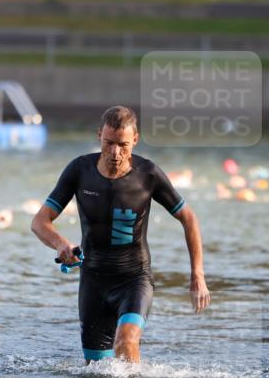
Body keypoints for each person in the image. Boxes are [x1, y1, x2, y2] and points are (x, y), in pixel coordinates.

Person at [31, 106, 210, 364]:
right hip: (93, 282)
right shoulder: (79, 171)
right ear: (99, 136)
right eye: (109, 143)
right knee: (96, 372)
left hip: (134, 280)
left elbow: (189, 218)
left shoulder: (148, 175)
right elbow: (39, 221)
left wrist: (198, 276)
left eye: (123, 145)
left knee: (126, 340)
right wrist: (61, 245)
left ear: (135, 139)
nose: (115, 152)